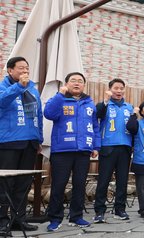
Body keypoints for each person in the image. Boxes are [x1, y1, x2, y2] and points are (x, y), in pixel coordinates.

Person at [44, 72, 100, 231]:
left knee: (79, 184)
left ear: (84, 85)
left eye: (80, 81)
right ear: (66, 84)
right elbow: (49, 114)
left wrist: (96, 146)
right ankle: (55, 218)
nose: (77, 83)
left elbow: (94, 126)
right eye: (73, 81)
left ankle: (76, 216)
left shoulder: (89, 103)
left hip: (83, 150)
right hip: (62, 150)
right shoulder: (59, 99)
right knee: (58, 185)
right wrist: (59, 95)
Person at [0, 56, 42, 235]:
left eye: (27, 68)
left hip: (30, 142)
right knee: (5, 184)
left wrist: (39, 139)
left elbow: (37, 115)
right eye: (20, 68)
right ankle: (2, 221)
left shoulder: (33, 88)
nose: (25, 71)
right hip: (9, 141)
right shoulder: (4, 87)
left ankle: (19, 219)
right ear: (10, 70)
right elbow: (2, 102)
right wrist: (19, 87)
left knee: (23, 184)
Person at [93, 78, 134, 223]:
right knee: (103, 181)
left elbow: (134, 128)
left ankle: (120, 209)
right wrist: (105, 100)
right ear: (110, 89)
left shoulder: (129, 107)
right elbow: (97, 115)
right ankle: (99, 211)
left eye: (121, 88)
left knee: (122, 181)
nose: (119, 91)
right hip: (108, 147)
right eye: (116, 88)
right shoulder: (104, 105)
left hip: (125, 148)